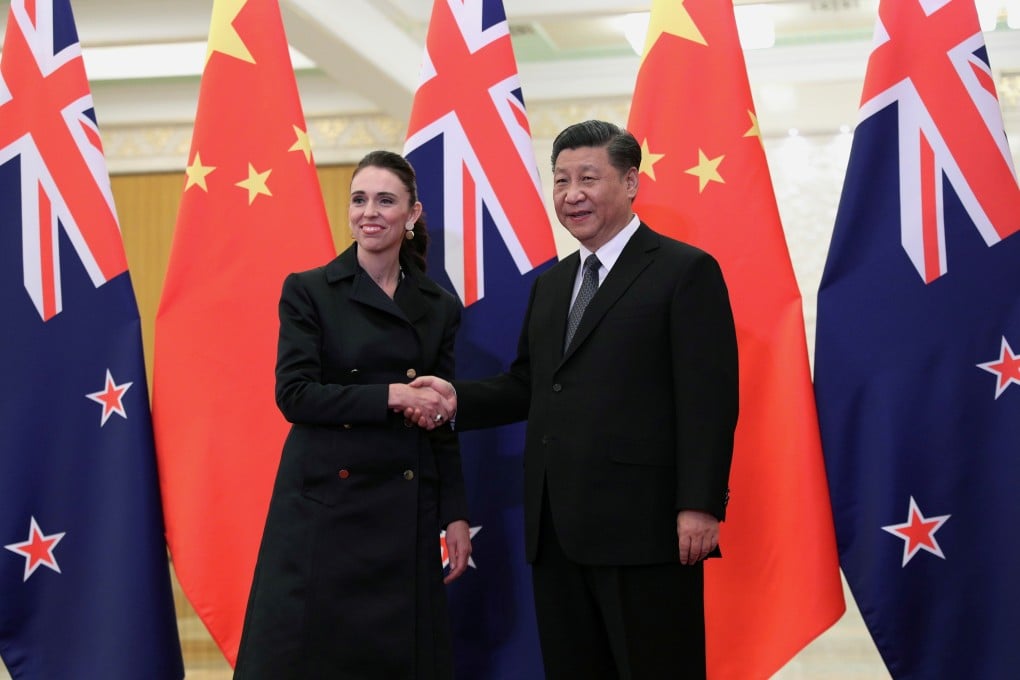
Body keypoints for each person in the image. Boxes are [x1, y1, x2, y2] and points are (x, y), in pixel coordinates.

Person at [410, 120, 738, 679]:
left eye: (589, 177)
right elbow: (527, 385)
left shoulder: (685, 272)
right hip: (556, 526)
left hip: (646, 527)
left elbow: (709, 399)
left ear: (631, 182)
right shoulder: (553, 284)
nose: (572, 194)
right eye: (561, 181)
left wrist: (699, 503)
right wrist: (454, 399)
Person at [234, 150, 471, 680]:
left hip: (404, 507)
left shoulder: (438, 306)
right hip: (324, 508)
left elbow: (442, 420)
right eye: (359, 199)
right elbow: (294, 394)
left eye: (385, 200)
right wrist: (393, 396)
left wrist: (454, 511)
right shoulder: (309, 290)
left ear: (412, 215)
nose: (370, 211)